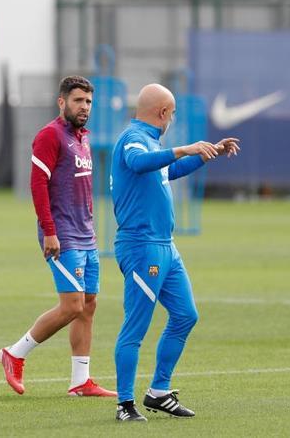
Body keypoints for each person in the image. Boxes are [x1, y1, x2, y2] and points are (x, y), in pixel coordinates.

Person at [111, 83, 240, 421]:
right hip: (141, 246)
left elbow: (168, 171)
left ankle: (158, 391)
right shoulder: (133, 137)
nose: (173, 118)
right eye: (173, 113)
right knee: (135, 327)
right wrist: (184, 148)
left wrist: (206, 154)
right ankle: (125, 405)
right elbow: (137, 163)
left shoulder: (152, 141)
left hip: (165, 246)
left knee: (186, 315)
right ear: (164, 113)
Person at [0, 75, 116, 398]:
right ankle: (14, 353)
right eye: (78, 100)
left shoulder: (83, 137)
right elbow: (38, 185)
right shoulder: (50, 135)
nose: (84, 107)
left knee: (88, 305)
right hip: (62, 235)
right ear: (61, 101)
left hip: (86, 235)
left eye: (89, 102)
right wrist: (49, 231)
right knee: (72, 305)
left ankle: (80, 380)